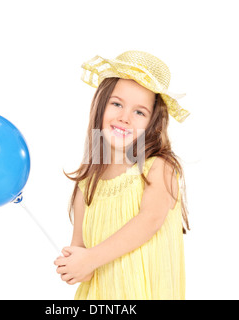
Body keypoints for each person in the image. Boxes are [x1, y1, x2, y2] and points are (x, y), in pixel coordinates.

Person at [53, 50, 191, 299]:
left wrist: (91, 259)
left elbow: (149, 221)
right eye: (117, 104)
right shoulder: (87, 184)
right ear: (100, 106)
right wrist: (74, 266)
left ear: (152, 124)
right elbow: (80, 249)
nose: (125, 118)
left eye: (140, 112)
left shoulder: (159, 167)